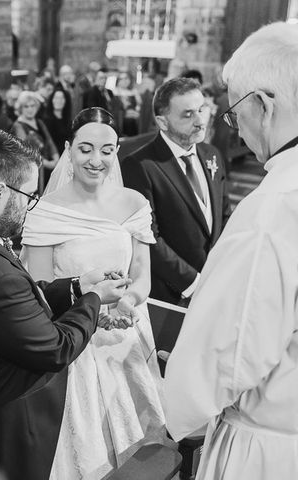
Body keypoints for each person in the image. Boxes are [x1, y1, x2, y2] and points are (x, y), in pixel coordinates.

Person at [0, 130, 131, 480]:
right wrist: (94, 299)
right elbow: (54, 348)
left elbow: (15, 302)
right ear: (0, 193)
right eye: (29, 195)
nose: (31, 205)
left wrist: (78, 285)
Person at [164, 22, 298, 480]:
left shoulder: (273, 211)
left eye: (235, 109)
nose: (234, 128)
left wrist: (169, 407)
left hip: (271, 450)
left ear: (262, 105)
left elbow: (229, 353)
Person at [23, 108, 166, 478]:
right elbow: (39, 291)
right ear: (68, 149)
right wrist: (92, 309)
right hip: (75, 341)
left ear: (117, 151)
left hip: (126, 335)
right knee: (87, 452)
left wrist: (130, 303)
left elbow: (141, 275)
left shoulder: (133, 203)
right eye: (85, 149)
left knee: (138, 453)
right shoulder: (46, 212)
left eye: (106, 150)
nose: (96, 160)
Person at [121, 78, 231, 305]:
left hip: (215, 282)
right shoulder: (141, 165)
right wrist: (193, 283)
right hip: (171, 293)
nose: (201, 121)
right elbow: (147, 237)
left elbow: (224, 216)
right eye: (188, 114)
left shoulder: (212, 154)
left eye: (202, 109)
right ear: (163, 122)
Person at [11, 91, 59, 189]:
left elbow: (49, 142)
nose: (30, 109)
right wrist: (47, 163)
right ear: (21, 108)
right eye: (26, 106)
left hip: (47, 169)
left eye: (32, 106)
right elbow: (26, 151)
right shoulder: (18, 126)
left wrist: (56, 158)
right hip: (30, 172)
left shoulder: (39, 122)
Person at [42, 89, 70, 155]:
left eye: (62, 98)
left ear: (66, 101)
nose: (59, 101)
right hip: (54, 159)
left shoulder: (68, 120)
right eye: (56, 98)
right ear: (52, 100)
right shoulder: (47, 120)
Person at [114, 72, 141, 137]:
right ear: (118, 81)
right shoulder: (115, 92)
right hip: (121, 118)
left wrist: (137, 109)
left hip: (135, 116)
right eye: (122, 79)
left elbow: (139, 105)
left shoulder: (133, 91)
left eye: (126, 78)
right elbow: (115, 109)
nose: (125, 81)